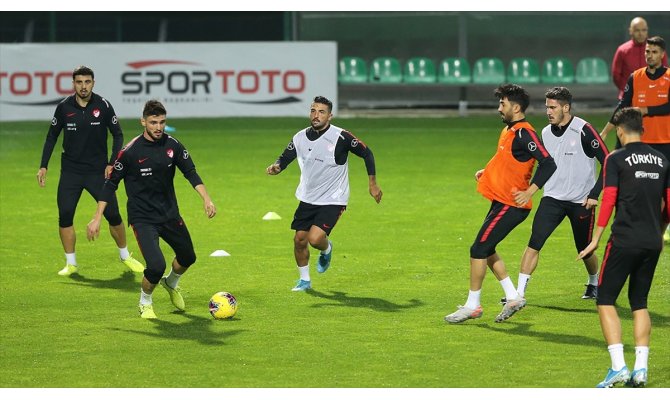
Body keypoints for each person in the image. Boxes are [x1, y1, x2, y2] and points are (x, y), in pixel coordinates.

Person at [86, 100, 216, 319]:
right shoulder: (130, 152)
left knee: (188, 256)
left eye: (162, 122)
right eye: (153, 122)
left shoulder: (173, 145)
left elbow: (190, 172)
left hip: (169, 214)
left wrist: (206, 199)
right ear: (143, 122)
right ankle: (145, 301)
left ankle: (171, 283)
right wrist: (97, 216)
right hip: (143, 218)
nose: (158, 127)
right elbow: (110, 185)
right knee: (156, 265)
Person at [444, 84, 557, 324]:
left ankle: (473, 305)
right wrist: (487, 171)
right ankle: (513, 296)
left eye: (502, 104)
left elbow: (548, 163)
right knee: (488, 247)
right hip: (502, 201)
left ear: (516, 107)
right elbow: (507, 158)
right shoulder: (510, 130)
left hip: (512, 205)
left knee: (478, 249)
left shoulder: (524, 133)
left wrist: (530, 191)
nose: (499, 108)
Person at [578, 108, 669, 388]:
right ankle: (641, 369)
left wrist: (595, 238)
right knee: (639, 302)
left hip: (624, 240)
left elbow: (609, 200)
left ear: (620, 130)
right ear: (641, 129)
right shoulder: (662, 160)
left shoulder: (616, 159)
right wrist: (660, 231)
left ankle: (618, 366)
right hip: (652, 242)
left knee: (605, 299)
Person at [266, 95, 382, 292]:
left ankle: (327, 249)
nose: (316, 115)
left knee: (315, 239)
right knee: (299, 240)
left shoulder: (342, 137)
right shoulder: (300, 137)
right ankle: (304, 281)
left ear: (330, 116)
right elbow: (285, 157)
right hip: (307, 197)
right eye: (313, 110)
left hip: (333, 198)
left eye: (321, 112)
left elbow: (367, 153)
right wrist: (277, 167)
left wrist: (373, 184)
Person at [37, 65, 143, 276]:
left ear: (93, 83)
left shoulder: (103, 106)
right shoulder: (64, 107)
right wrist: (43, 165)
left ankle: (125, 256)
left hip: (98, 172)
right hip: (71, 172)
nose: (83, 86)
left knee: (113, 214)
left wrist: (112, 163)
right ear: (73, 84)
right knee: (65, 215)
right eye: (79, 82)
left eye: (87, 82)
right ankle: (71, 263)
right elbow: (52, 137)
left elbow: (118, 135)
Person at [508, 87, 609, 309]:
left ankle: (594, 282)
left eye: (553, 107)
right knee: (535, 242)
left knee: (584, 248)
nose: (548, 111)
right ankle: (518, 294)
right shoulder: (544, 133)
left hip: (580, 201)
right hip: (552, 198)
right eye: (547, 107)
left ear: (566, 107)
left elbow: (608, 162)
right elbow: (543, 165)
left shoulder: (584, 130)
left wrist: (594, 194)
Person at [601, 36, 670, 242]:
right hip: (641, 144)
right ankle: (629, 231)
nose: (649, 55)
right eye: (647, 51)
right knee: (634, 189)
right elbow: (623, 107)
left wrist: (645, 110)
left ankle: (659, 231)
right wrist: (607, 134)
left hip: (666, 143)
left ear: (662, 55)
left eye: (654, 51)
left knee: (665, 196)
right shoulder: (635, 77)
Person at [611, 17, 667, 101]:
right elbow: (616, 75)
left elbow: (664, 72)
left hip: (653, 97)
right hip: (628, 99)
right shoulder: (622, 50)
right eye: (637, 30)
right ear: (630, 31)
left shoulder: (658, 49)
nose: (641, 33)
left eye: (644, 30)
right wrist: (628, 89)